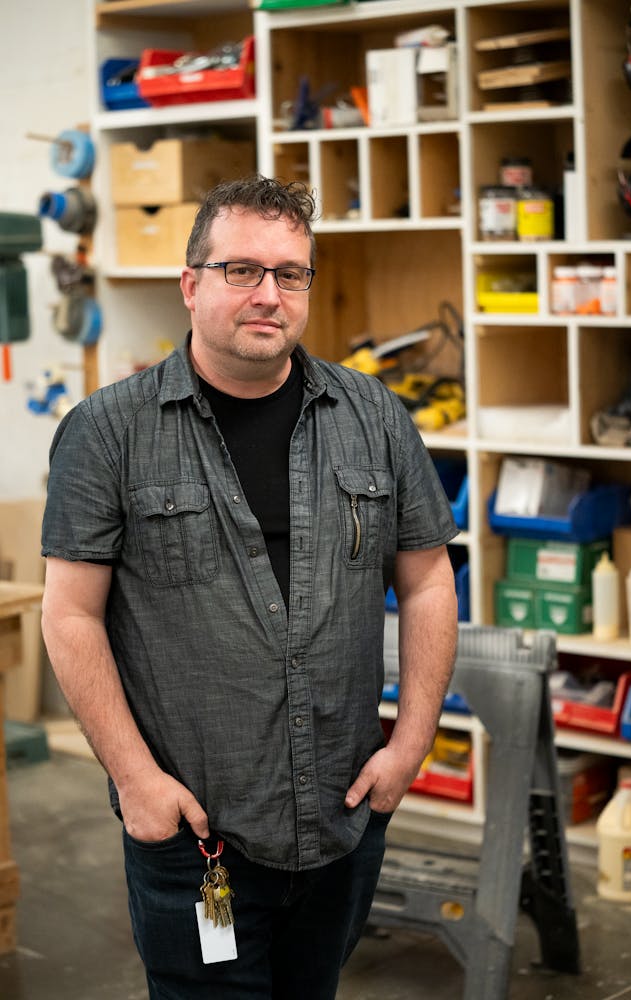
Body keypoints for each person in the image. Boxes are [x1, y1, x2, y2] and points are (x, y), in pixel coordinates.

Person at [40, 174, 459, 999]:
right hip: (193, 833)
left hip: (342, 821)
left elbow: (427, 584)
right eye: (242, 270)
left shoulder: (373, 415)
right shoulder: (107, 432)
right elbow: (71, 615)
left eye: (291, 273)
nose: (269, 294)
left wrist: (408, 747)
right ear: (191, 285)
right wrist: (136, 783)